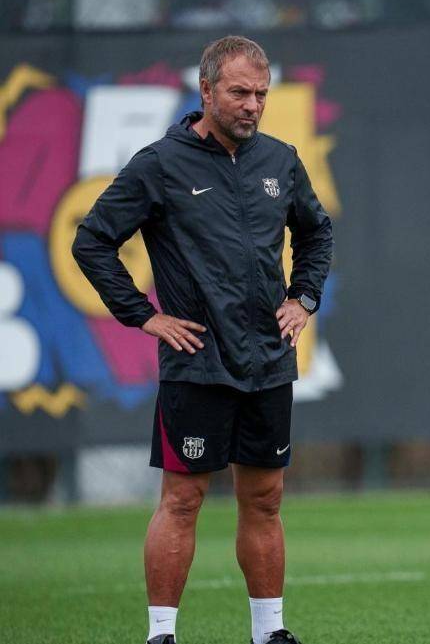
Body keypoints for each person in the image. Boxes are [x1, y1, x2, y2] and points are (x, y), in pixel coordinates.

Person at [72, 36, 333, 644]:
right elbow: (92, 241)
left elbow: (316, 233)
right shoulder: (160, 164)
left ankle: (269, 633)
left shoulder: (281, 160)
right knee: (182, 501)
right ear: (206, 90)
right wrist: (144, 316)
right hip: (196, 363)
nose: (253, 105)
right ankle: (161, 634)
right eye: (240, 92)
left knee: (265, 500)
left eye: (261, 94)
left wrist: (303, 298)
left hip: (268, 361)